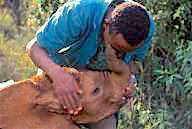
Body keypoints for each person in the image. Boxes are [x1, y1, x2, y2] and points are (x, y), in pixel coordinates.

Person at [26, 0, 155, 128]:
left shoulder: (145, 29)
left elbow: (133, 64)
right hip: (57, 79)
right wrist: (58, 75)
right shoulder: (80, 11)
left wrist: (128, 80)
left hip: (97, 95)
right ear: (106, 25)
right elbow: (34, 48)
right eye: (115, 47)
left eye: (125, 52)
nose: (118, 54)